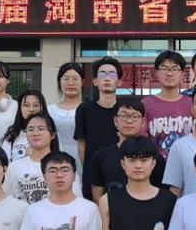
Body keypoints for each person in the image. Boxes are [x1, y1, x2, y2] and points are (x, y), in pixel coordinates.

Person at [89, 98, 164, 199]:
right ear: (115, 120)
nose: (129, 121)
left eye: (135, 116)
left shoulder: (154, 158)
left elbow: (160, 194)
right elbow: (98, 197)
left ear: (143, 121)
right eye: (123, 116)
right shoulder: (100, 156)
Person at [75, 56, 122, 200]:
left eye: (112, 74)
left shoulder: (125, 110)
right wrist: (93, 169)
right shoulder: (84, 109)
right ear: (95, 81)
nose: (107, 78)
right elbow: (81, 148)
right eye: (102, 74)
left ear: (119, 81)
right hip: (93, 176)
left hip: (121, 174)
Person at [4, 112, 70, 204]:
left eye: (41, 129)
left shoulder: (65, 165)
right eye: (30, 129)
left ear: (52, 134)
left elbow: (74, 200)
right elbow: (6, 200)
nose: (35, 133)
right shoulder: (14, 167)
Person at [143, 50, 195, 158]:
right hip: (155, 165)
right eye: (164, 69)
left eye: (174, 69)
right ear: (157, 73)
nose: (169, 73)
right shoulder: (145, 104)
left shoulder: (193, 104)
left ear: (182, 74)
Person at [49, 63, 85, 174]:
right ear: (59, 82)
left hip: (83, 158)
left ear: (82, 82)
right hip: (54, 158)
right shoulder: (49, 110)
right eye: (66, 79)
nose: (71, 83)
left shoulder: (89, 109)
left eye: (75, 79)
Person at [0, 89, 48, 164]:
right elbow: (5, 164)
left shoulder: (50, 132)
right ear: (20, 108)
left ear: (42, 108)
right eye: (26, 105)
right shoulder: (11, 135)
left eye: (36, 105)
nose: (31, 109)